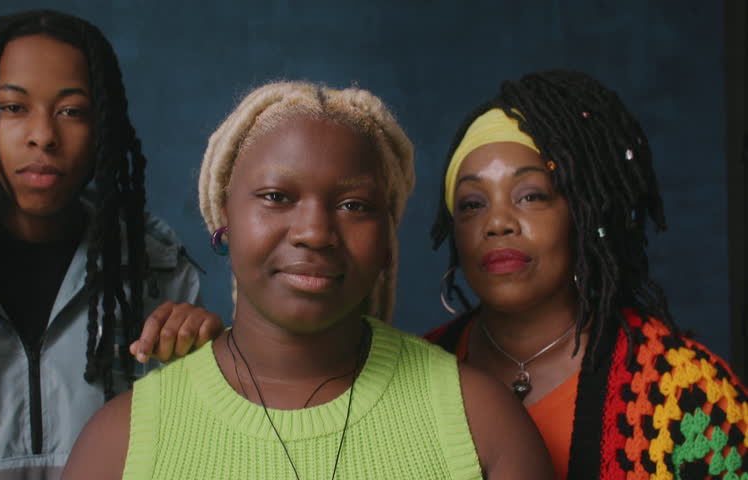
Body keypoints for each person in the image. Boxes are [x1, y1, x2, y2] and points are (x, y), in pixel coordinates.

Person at [64, 82, 555, 479]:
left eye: (354, 206)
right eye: (276, 196)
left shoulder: (481, 422)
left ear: (387, 241)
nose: (315, 233)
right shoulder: (121, 443)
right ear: (223, 223)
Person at [0, 10, 220, 480]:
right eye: (12, 107)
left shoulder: (160, 280)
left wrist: (213, 366)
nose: (43, 135)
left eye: (72, 111)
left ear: (103, 130)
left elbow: (195, 457)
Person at [425, 70, 748, 479]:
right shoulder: (408, 378)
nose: (498, 222)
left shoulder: (688, 394)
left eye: (531, 196)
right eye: (472, 203)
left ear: (584, 214)